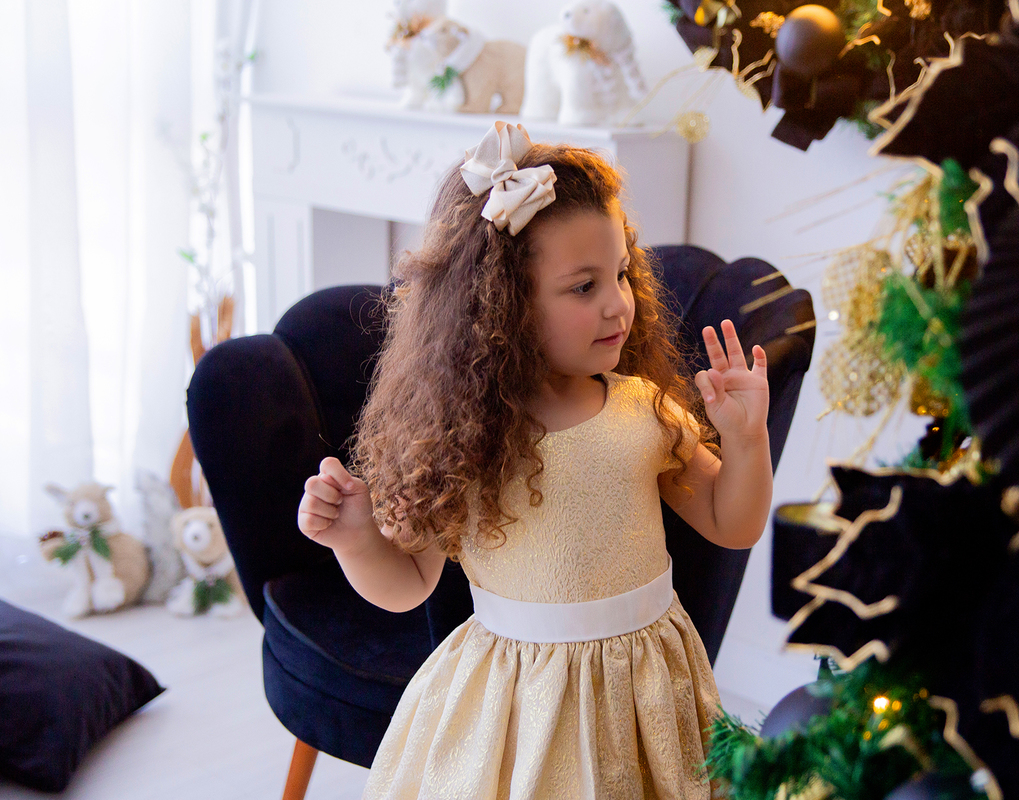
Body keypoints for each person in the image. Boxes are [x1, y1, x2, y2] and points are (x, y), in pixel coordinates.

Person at [297, 121, 773, 799]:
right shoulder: (463, 438)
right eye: (583, 288)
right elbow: (408, 585)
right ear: (503, 306)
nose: (618, 304)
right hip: (515, 707)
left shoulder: (643, 408)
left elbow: (736, 523)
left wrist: (746, 437)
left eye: (619, 274)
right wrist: (352, 536)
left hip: (648, 691)